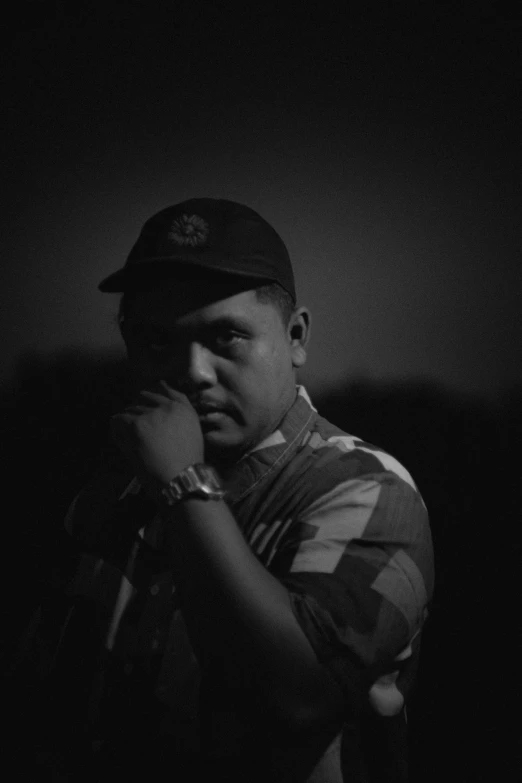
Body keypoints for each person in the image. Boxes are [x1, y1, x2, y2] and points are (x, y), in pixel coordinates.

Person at [7, 198, 434, 782]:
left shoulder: (365, 491)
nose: (192, 372)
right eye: (156, 341)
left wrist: (184, 485)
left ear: (296, 336)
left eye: (226, 336)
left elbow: (297, 700)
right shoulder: (111, 495)